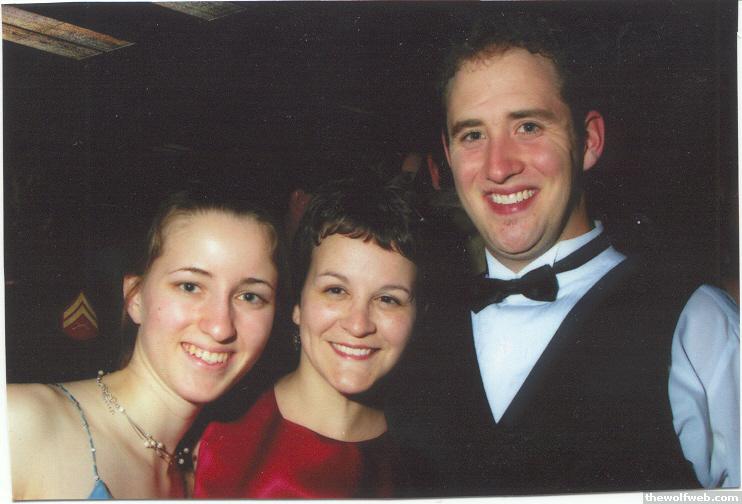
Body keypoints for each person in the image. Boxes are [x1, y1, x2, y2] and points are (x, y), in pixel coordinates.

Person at [388, 13, 739, 495]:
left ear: (588, 141)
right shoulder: (409, 326)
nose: (498, 167)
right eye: (473, 135)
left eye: (528, 126)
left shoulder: (696, 322)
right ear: (448, 157)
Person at [8, 187, 282, 499]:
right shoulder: (22, 426)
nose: (220, 327)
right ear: (135, 298)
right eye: (189, 286)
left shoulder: (201, 475)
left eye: (250, 297)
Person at [193, 179, 425, 498]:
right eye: (336, 290)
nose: (358, 325)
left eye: (388, 299)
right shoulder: (218, 435)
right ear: (297, 304)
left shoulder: (428, 457)